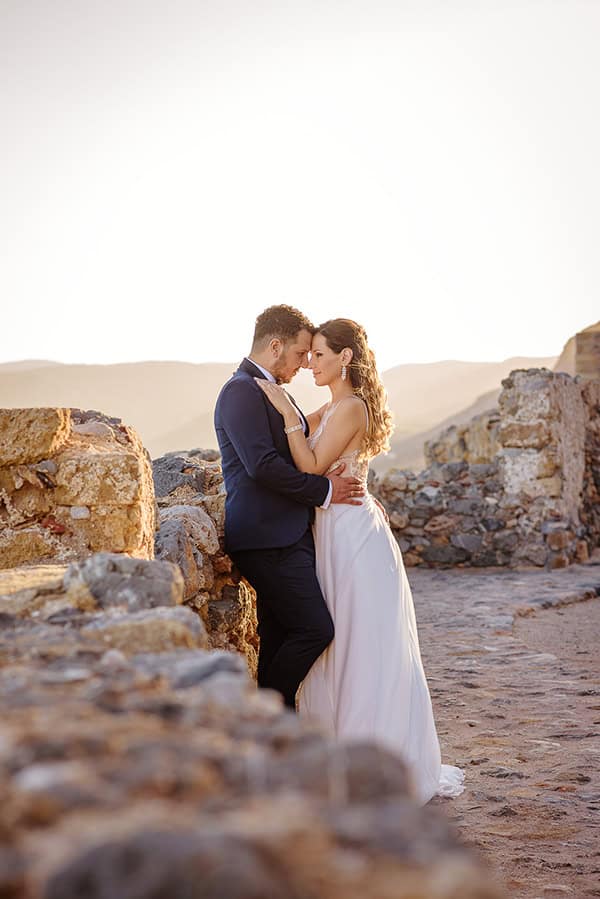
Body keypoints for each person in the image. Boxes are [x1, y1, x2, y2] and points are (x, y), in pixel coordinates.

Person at [256, 317, 465, 804]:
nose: (310, 364)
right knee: (337, 642)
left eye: (320, 356)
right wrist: (284, 407)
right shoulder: (330, 407)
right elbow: (301, 451)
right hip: (330, 530)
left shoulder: (351, 407)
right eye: (308, 356)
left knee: (361, 641)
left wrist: (285, 413)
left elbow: (308, 464)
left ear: (344, 358)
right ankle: (336, 751)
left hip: (351, 537)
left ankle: (372, 756)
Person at [214, 305, 365, 710]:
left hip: (288, 534)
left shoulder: (272, 390)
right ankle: (269, 713)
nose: (303, 364)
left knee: (279, 636)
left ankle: (277, 729)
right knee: (316, 629)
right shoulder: (241, 390)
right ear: (275, 345)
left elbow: (320, 432)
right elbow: (262, 467)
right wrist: (325, 491)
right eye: (301, 354)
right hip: (266, 536)